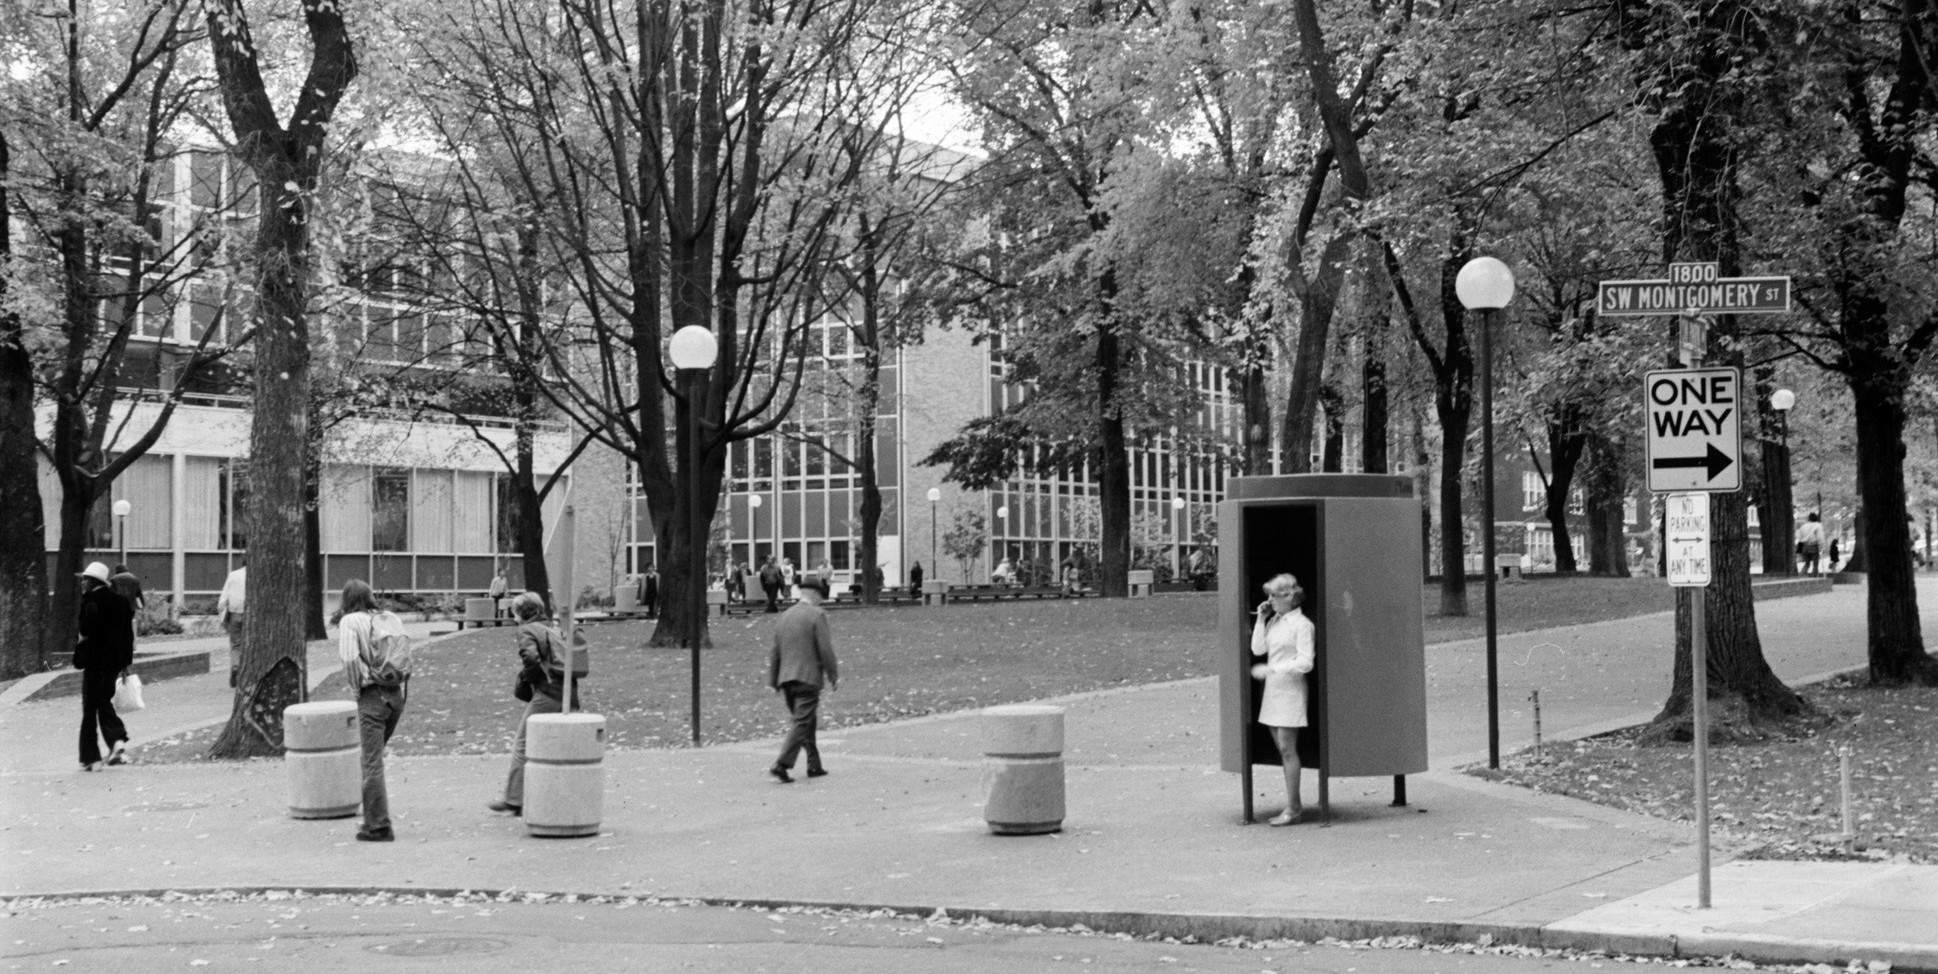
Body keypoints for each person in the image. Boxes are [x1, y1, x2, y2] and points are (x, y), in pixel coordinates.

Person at [489, 592, 580, 816]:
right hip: (569, 692)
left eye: (515, 613)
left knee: (522, 743)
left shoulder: (527, 630)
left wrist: (529, 679)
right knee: (559, 745)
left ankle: (514, 799)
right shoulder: (553, 627)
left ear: (521, 613)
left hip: (547, 692)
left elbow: (530, 658)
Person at [337, 579, 409, 842]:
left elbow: (349, 658)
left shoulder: (350, 622)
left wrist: (359, 688)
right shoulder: (390, 618)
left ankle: (378, 826)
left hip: (372, 695)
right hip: (396, 695)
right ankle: (373, 818)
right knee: (373, 759)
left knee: (371, 762)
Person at [1249, 573, 1314, 826]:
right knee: (1283, 749)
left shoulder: (1302, 625)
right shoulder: (1275, 621)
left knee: (1288, 748)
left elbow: (1306, 661)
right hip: (1274, 690)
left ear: (1289, 597)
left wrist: (1273, 670)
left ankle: (1294, 807)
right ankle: (1293, 804)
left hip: (1290, 689)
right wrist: (1261, 618)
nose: (1270, 600)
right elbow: (1258, 650)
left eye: (1274, 596)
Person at [768, 576, 838, 783]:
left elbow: (775, 651)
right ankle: (782, 763)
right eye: (821, 596)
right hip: (808, 677)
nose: (821, 600)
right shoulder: (817, 615)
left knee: (806, 721)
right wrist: (833, 675)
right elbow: (825, 650)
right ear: (815, 594)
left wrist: (773, 680)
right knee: (801, 723)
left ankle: (814, 764)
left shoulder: (785, 616)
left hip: (786, 678)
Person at [74, 561, 135, 772]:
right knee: (103, 702)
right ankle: (117, 741)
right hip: (114, 664)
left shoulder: (90, 600)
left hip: (94, 662)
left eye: (85, 579)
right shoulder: (121, 602)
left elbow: (85, 629)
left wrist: (82, 638)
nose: (82, 583)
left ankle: (92, 758)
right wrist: (126, 663)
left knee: (90, 709)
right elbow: (128, 636)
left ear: (93, 582)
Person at [215, 562, 246, 687]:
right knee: (249, 644)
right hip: (250, 613)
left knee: (235, 645)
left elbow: (224, 596)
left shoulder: (233, 575)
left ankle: (235, 666)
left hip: (235, 614)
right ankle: (245, 672)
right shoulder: (257, 576)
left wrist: (221, 609)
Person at [109, 563, 145, 637]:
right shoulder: (135, 579)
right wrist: (142, 605)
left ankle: (119, 642)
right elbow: (138, 594)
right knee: (128, 625)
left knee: (118, 625)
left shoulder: (113, 579)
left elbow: (110, 594)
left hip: (117, 607)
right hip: (131, 607)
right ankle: (128, 642)